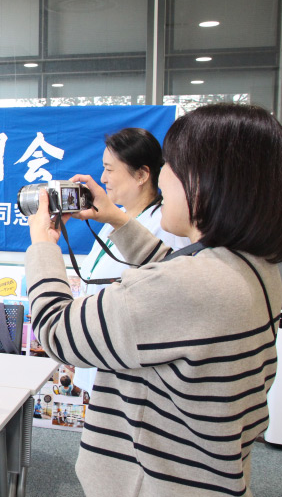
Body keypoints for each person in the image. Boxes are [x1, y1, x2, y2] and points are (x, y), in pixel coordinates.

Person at [25, 104, 282, 496]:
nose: (163, 178)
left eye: (172, 167)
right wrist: (117, 218)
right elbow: (174, 276)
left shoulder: (191, 285)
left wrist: (43, 246)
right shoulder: (254, 269)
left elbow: (57, 330)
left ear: (204, 183)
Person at [74, 128, 190, 394]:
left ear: (141, 175)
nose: (103, 179)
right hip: (98, 355)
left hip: (132, 369)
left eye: (110, 170)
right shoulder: (112, 219)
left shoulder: (166, 226)